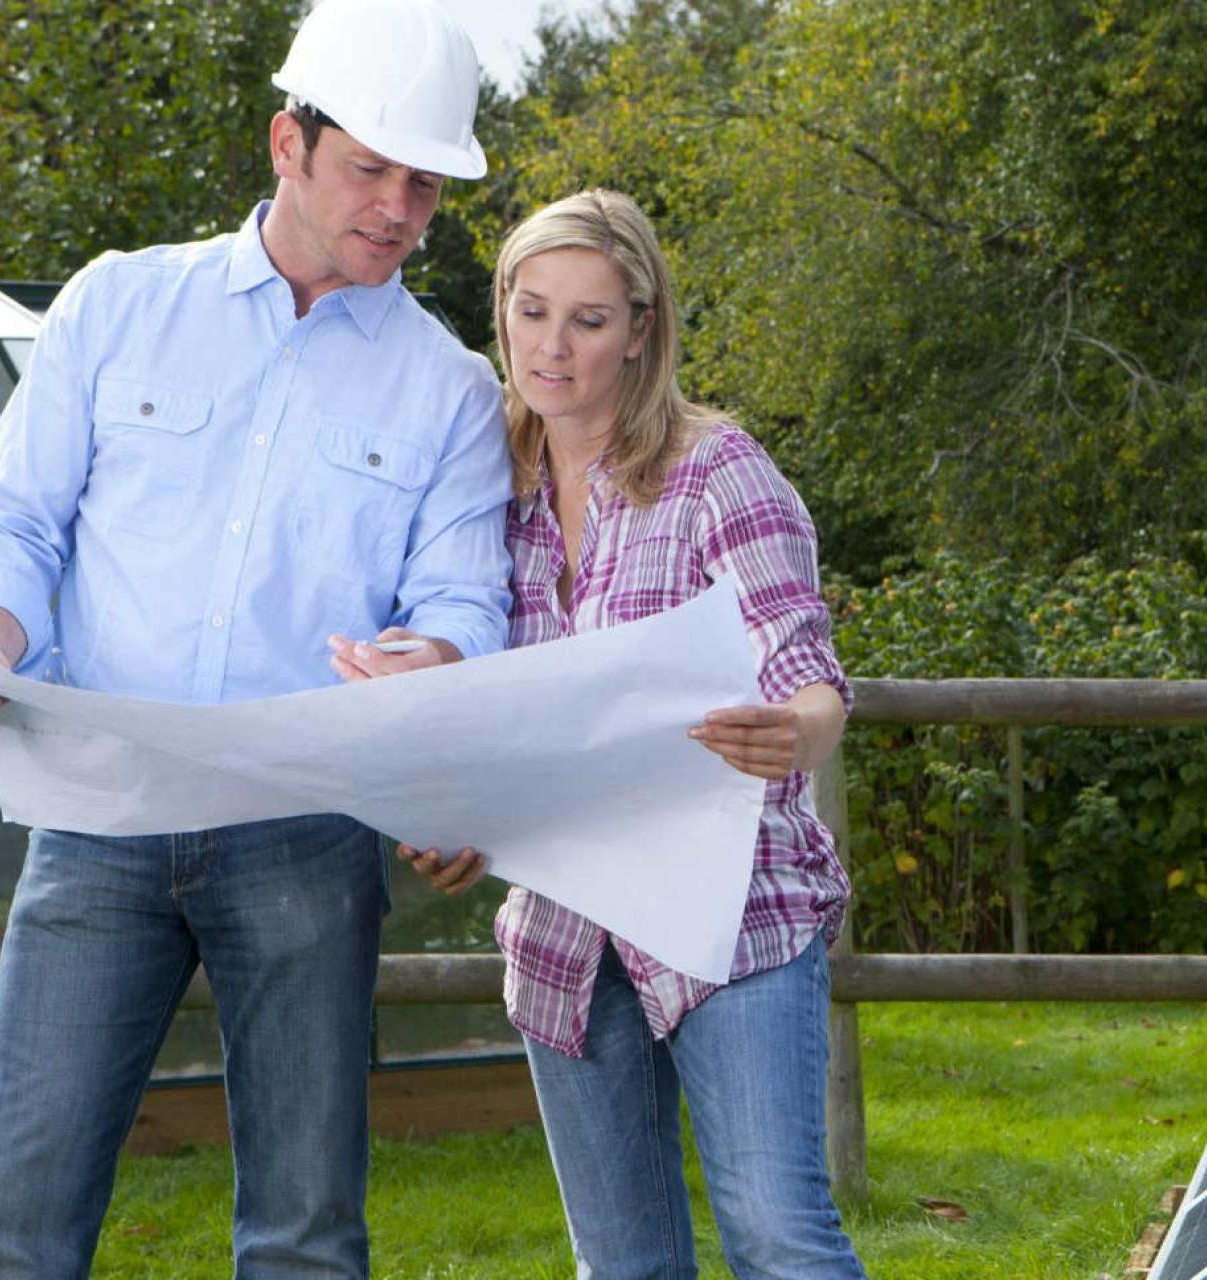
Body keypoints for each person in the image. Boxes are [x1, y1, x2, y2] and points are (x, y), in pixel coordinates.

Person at [0, 1, 511, 1275]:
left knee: (304, 1235)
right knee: (15, 1224)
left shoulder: (453, 388)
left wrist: (435, 668)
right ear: (286, 142)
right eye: (372, 170)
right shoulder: (117, 304)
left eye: (428, 184)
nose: (401, 210)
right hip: (95, 819)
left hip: (307, 832)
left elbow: (464, 607)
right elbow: (14, 526)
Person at [388, 189, 869, 1279]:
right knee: (625, 1267)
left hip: (733, 914)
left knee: (779, 1233)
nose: (551, 347)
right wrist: (450, 821)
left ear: (643, 330)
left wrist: (790, 733)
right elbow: (472, 703)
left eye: (590, 320)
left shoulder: (716, 470)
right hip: (566, 932)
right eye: (531, 309)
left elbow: (809, 672)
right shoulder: (481, 492)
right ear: (500, 309)